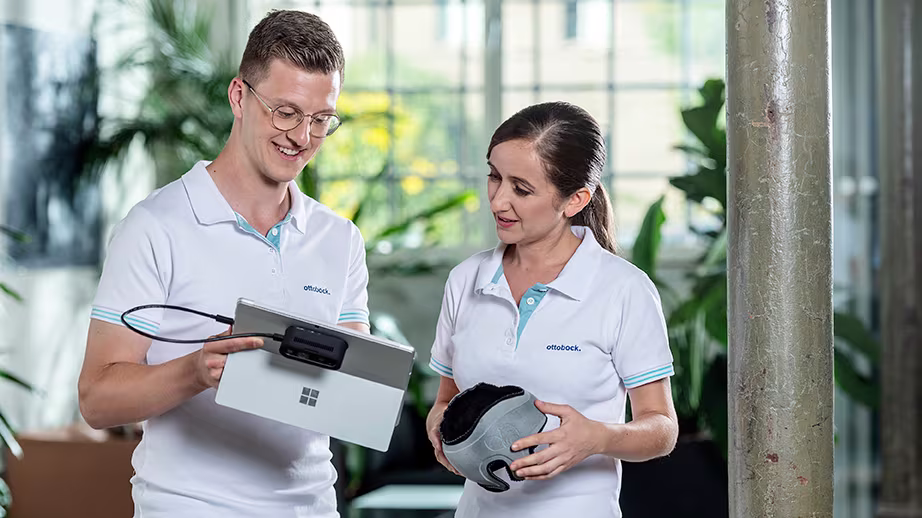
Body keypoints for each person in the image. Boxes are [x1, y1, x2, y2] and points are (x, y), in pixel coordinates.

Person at [78, 10, 367, 518]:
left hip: (312, 507)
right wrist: (195, 371)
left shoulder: (339, 239)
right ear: (239, 97)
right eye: (285, 112)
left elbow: (347, 397)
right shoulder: (155, 226)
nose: (302, 136)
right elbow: (97, 399)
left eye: (321, 120)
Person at [425, 101, 679, 518]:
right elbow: (445, 400)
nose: (498, 201)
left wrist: (596, 438)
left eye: (521, 189)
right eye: (494, 177)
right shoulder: (466, 280)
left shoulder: (623, 290)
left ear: (576, 199)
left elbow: (662, 429)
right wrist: (441, 428)